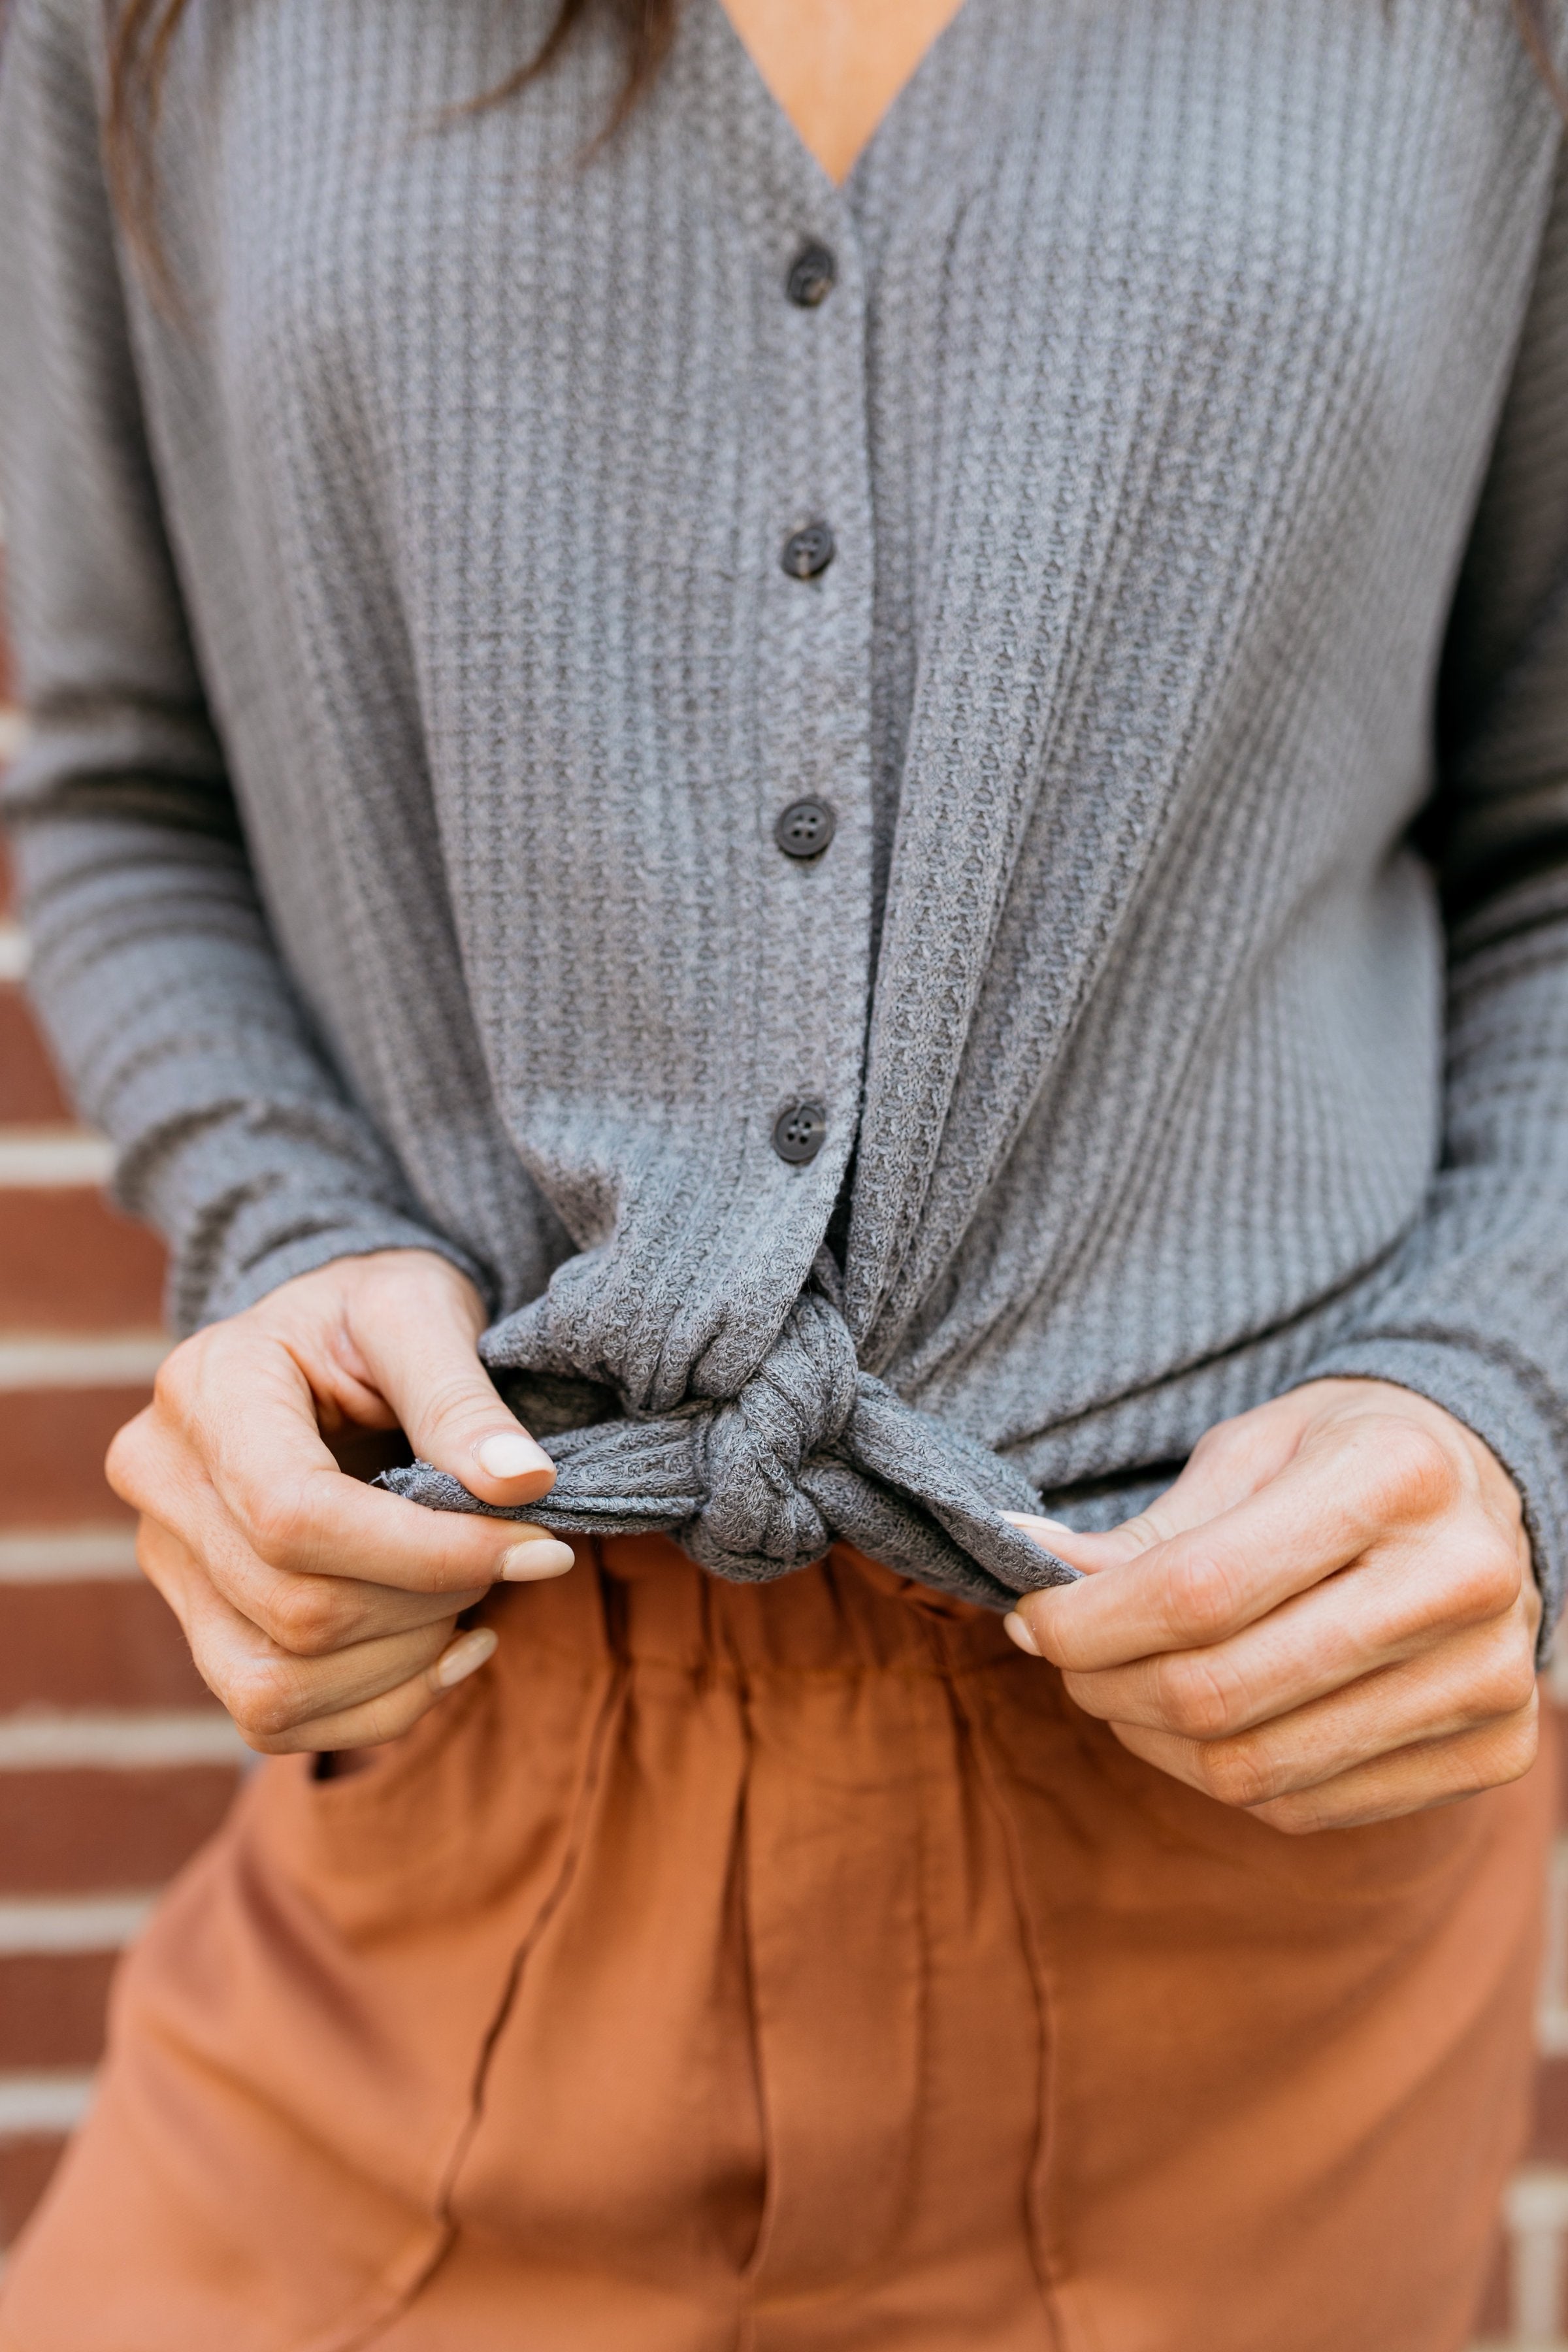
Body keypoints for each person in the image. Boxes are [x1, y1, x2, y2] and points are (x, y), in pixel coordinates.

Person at [2, 0, 1567, 2343]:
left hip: (1239, 1874)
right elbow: (129, 788)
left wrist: (1492, 1384)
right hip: (476, 1786)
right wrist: (287, 1237)